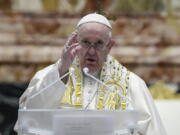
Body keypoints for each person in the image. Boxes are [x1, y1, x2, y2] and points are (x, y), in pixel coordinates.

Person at [15, 13, 167, 135]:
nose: (92, 52)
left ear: (109, 46)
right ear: (75, 42)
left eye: (99, 43)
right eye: (86, 42)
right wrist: (62, 70)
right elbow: (28, 120)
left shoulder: (132, 84)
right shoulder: (48, 76)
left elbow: (153, 131)